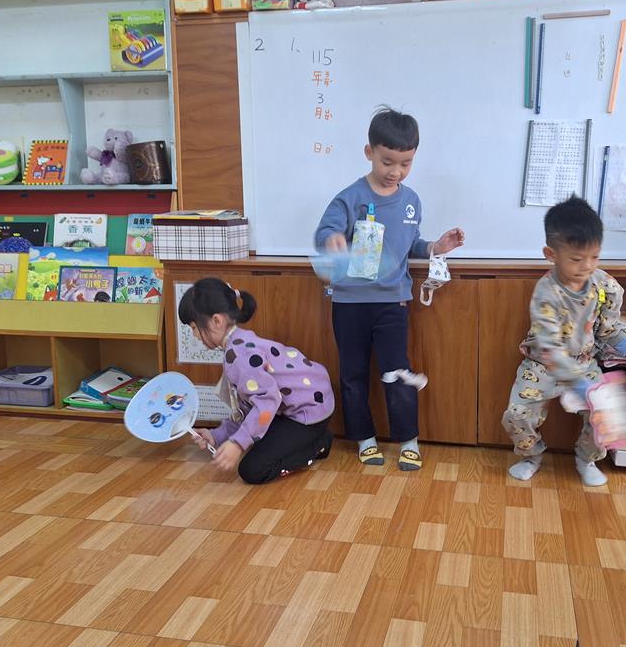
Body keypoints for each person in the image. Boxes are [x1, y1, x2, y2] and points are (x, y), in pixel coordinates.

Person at [314, 106, 464, 471]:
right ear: (369, 152)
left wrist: (436, 247)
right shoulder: (349, 197)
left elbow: (409, 245)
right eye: (387, 162)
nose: (395, 171)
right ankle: (364, 439)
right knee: (353, 374)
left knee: (397, 372)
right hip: (349, 304)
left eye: (405, 163)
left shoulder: (411, 201)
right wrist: (332, 238)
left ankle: (408, 440)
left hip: (393, 303)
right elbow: (325, 231)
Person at [501, 197, 626, 486]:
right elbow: (549, 346)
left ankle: (586, 459)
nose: (587, 266)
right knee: (516, 415)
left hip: (584, 363)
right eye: (576, 259)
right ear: (551, 254)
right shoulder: (546, 293)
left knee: (606, 413)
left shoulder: (606, 287)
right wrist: (580, 385)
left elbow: (610, 331)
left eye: (594, 257)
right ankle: (531, 457)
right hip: (542, 365)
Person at [178, 277, 335, 484]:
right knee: (256, 436)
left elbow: (266, 402)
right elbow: (247, 405)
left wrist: (237, 444)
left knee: (252, 470)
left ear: (217, 321)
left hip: (309, 412)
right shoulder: (238, 341)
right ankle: (311, 438)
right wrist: (217, 435)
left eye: (194, 327)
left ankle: (320, 444)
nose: (194, 335)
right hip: (298, 403)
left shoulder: (240, 356)